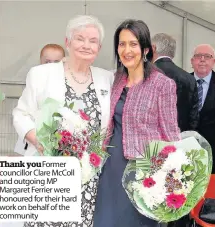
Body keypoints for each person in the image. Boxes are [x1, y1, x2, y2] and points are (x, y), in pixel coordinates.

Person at [12, 15, 114, 227]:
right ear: (67, 42)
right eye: (80, 38)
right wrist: (39, 141)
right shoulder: (41, 74)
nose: (86, 45)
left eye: (93, 41)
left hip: (87, 179)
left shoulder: (107, 78)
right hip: (47, 173)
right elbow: (20, 114)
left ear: (99, 47)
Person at [93, 19, 180, 227]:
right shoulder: (115, 80)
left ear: (146, 49)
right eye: (122, 44)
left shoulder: (163, 84)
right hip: (111, 168)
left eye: (133, 44)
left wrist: (172, 178)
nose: (127, 50)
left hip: (143, 170)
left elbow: (171, 134)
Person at [152, 33, 199, 132]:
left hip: (152, 140)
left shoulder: (148, 74)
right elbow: (193, 118)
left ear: (153, 48)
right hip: (179, 140)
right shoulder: (190, 79)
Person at [191, 44, 215, 174]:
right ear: (192, 61)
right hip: (186, 151)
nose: (202, 59)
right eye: (198, 56)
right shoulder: (182, 82)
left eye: (207, 56)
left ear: (213, 61)